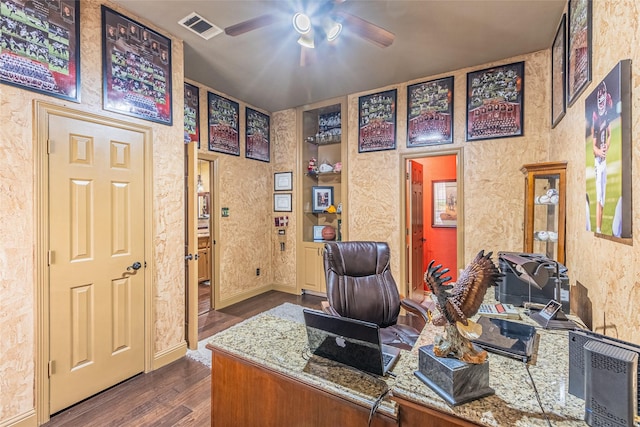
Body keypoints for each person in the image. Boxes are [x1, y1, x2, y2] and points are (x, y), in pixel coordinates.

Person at [591, 81, 611, 234]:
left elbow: (609, 134)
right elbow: (593, 146)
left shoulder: (608, 113)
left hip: (604, 160)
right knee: (599, 195)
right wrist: (599, 151)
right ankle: (597, 229)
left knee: (603, 195)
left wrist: (607, 147)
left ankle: (599, 229)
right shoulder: (595, 116)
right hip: (598, 162)